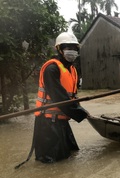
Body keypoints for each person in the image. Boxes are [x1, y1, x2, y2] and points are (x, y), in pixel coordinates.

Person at [33, 32, 89, 163]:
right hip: (48, 123)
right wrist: (82, 114)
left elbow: (72, 97)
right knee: (53, 162)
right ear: (59, 49)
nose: (72, 51)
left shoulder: (72, 70)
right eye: (68, 48)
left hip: (62, 120)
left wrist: (81, 109)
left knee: (72, 154)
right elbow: (60, 98)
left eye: (75, 48)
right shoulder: (52, 69)